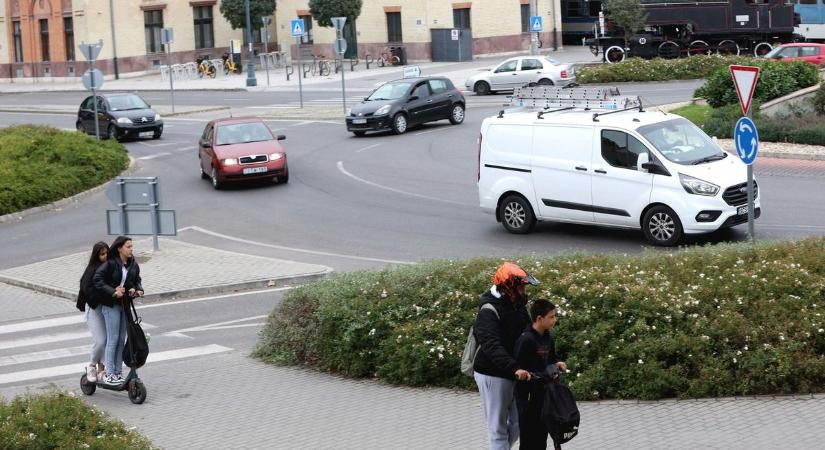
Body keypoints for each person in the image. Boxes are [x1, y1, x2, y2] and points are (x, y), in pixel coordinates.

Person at [473, 262, 540, 450]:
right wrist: (515, 367)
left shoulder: (516, 304)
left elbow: (529, 334)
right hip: (492, 374)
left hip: (514, 373)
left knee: (518, 424)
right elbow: (491, 345)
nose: (524, 292)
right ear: (508, 286)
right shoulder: (489, 309)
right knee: (498, 429)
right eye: (521, 287)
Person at [514, 299, 568, 450]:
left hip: (545, 395)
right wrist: (528, 376)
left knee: (542, 436)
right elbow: (518, 368)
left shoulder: (547, 337)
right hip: (528, 397)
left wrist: (557, 364)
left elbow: (550, 359)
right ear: (539, 318)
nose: (554, 320)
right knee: (529, 437)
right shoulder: (526, 339)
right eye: (551, 317)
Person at [93, 236, 144, 385]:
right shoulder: (111, 263)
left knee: (122, 339)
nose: (131, 249)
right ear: (119, 248)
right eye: (128, 247)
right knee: (113, 338)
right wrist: (113, 291)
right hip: (111, 305)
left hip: (125, 305)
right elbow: (98, 279)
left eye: (132, 246)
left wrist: (138, 289)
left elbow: (136, 279)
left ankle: (118, 373)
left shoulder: (132, 264)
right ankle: (109, 374)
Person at [76, 242, 109, 383]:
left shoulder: (110, 267)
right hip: (94, 308)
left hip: (107, 308)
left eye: (107, 253)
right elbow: (85, 287)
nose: (105, 256)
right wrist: (97, 300)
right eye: (102, 254)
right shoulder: (92, 269)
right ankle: (91, 365)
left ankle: (102, 368)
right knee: (100, 340)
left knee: (108, 340)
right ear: (96, 255)